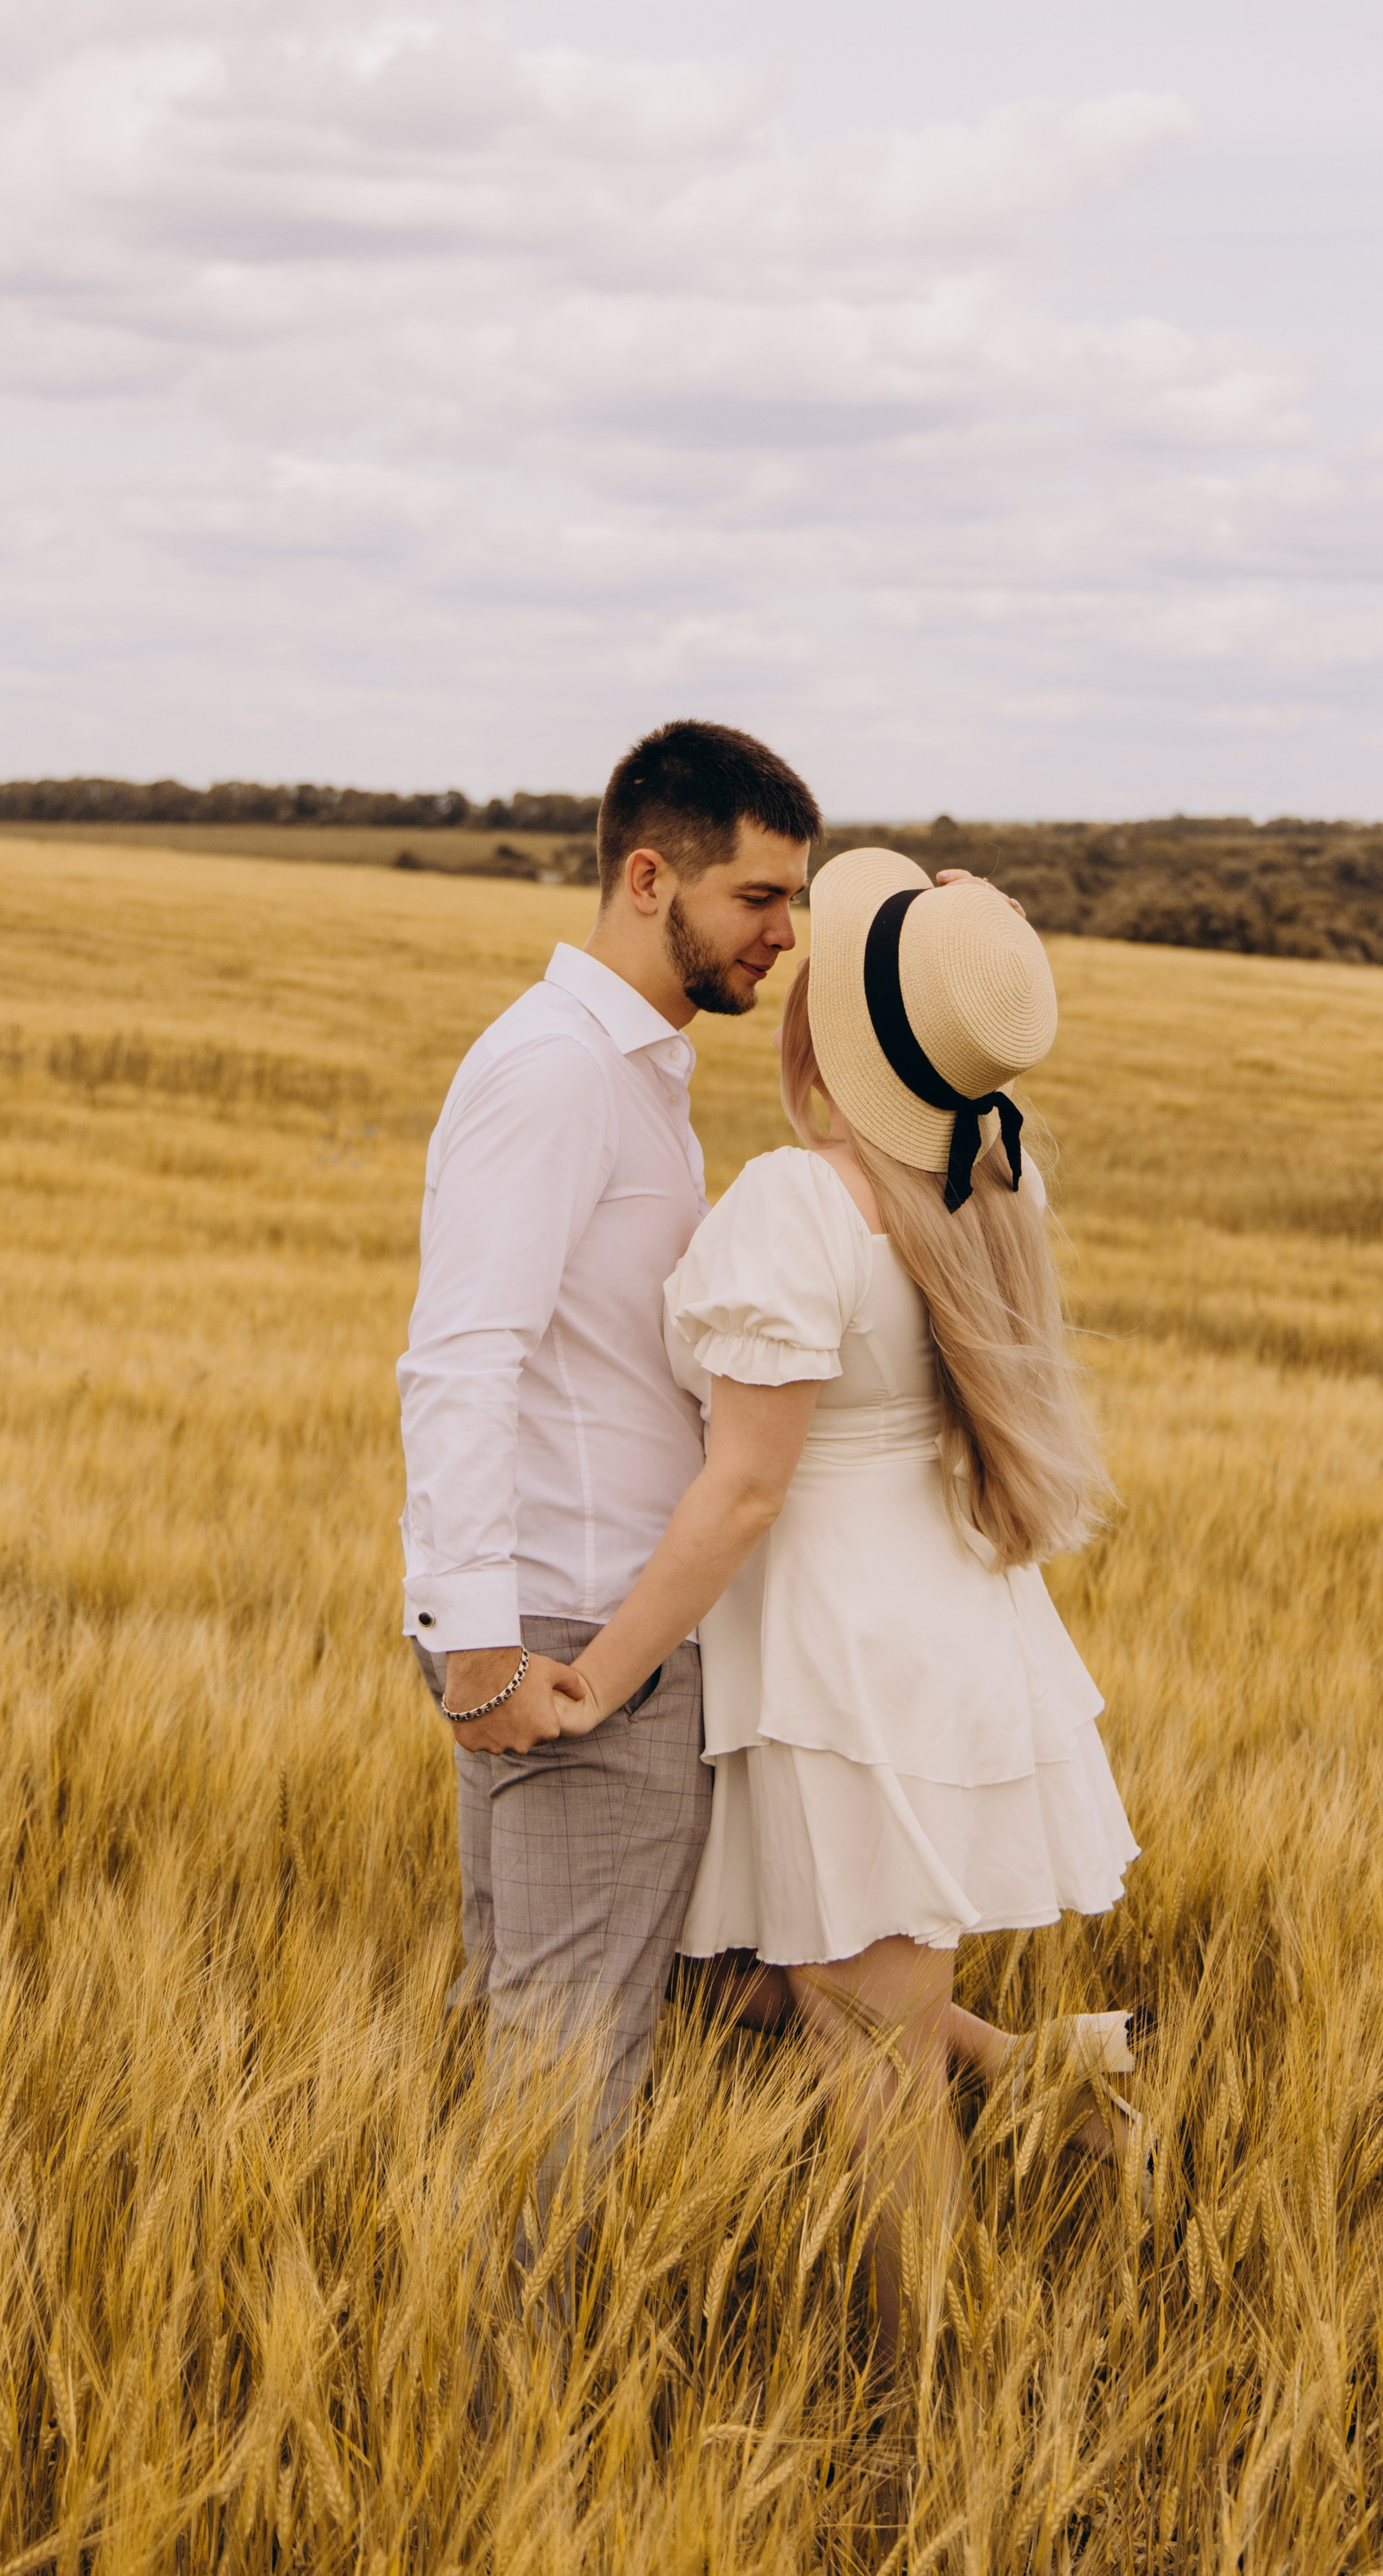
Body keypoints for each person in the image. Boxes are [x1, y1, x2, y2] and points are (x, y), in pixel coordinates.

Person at [547, 847, 1140, 2349]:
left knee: (863, 2061)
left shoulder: (795, 1209)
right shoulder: (996, 1170)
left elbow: (743, 1490)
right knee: (783, 1978)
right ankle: (1041, 2076)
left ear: (828, 1028)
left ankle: (934, 2406)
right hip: (948, 1621)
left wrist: (600, 1673)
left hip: (839, 1654)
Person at [398, 718, 820, 2159]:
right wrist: (473, 1642)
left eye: (797, 900)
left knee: (530, 2050)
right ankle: (507, 2385)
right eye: (758, 898)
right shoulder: (562, 1072)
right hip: (578, 1637)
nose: (785, 934)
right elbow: (463, 1355)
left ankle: (469, 2371)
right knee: (563, 2081)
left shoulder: (632, 1071)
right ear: (652, 879)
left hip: (588, 1628)